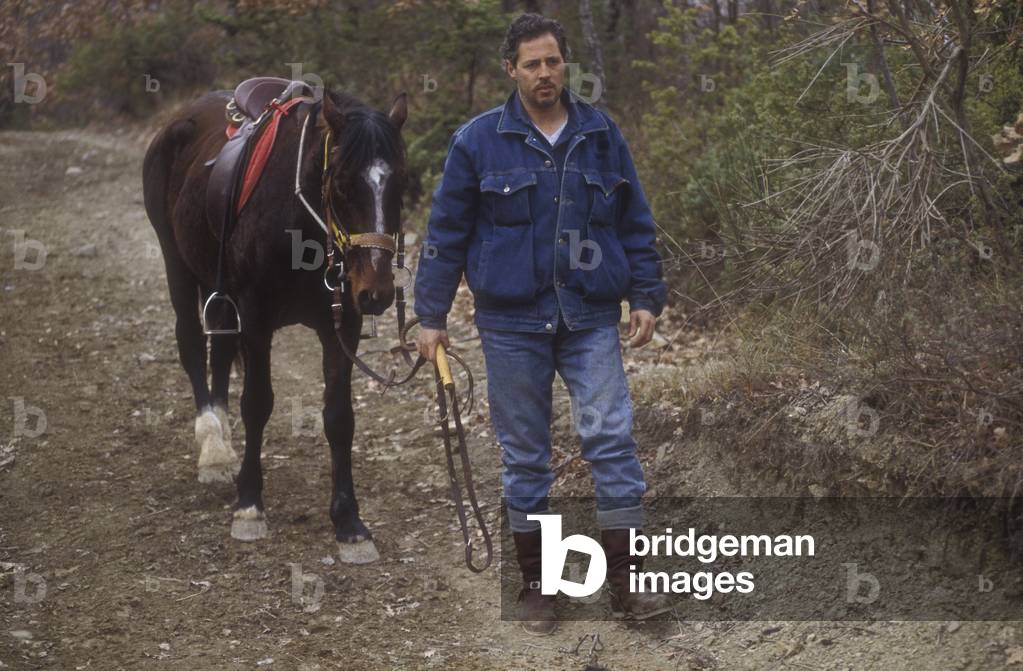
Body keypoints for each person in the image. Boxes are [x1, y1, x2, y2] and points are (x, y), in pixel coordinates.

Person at [414, 13, 670, 635]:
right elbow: (445, 235)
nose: (545, 73)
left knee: (611, 439)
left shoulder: (600, 134)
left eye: (553, 61)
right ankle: (537, 585)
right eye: (532, 63)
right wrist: (431, 316)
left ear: (565, 64)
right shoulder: (478, 141)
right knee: (526, 457)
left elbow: (634, 220)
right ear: (512, 70)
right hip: (509, 323)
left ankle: (629, 585)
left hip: (589, 317)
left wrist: (647, 295)